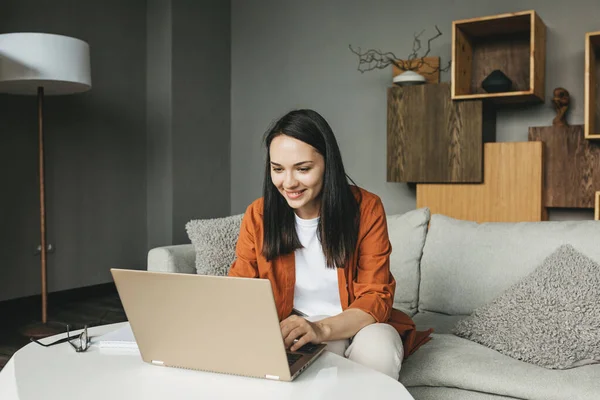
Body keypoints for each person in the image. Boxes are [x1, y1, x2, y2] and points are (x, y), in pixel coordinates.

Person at [228, 109, 432, 379]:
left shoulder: (366, 208)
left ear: (328, 164)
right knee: (317, 362)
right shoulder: (259, 215)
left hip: (361, 322)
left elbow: (375, 296)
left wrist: (322, 329)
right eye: (278, 169)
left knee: (378, 350)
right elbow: (239, 289)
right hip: (297, 326)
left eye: (303, 169)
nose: (288, 183)